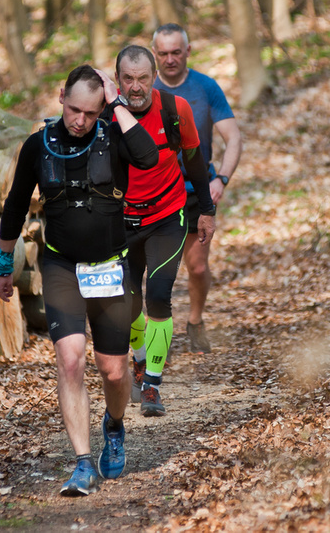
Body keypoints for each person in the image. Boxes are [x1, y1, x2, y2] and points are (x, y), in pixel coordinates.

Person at [0, 65, 158, 496]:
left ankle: (115, 424)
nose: (80, 120)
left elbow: (149, 156)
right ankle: (82, 463)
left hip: (109, 266)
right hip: (61, 266)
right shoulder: (38, 145)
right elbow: (13, 205)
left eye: (90, 111)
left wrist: (117, 102)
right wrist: (2, 261)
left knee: (114, 370)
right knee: (69, 360)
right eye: (73, 109)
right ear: (60, 95)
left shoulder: (114, 136)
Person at [109, 45, 215, 416]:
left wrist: (206, 211)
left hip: (168, 217)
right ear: (117, 79)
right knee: (128, 301)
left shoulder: (174, 109)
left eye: (142, 78)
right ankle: (139, 359)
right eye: (128, 78)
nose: (135, 87)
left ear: (153, 77)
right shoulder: (107, 118)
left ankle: (151, 383)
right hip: (122, 222)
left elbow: (194, 161)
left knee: (158, 294)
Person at [152, 23, 242, 353]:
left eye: (177, 52)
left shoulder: (206, 88)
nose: (170, 59)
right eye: (163, 53)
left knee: (198, 266)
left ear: (188, 51)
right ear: (154, 54)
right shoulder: (143, 90)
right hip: (156, 192)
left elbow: (233, 137)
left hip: (197, 190)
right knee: (156, 270)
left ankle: (194, 321)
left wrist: (222, 179)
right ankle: (151, 339)